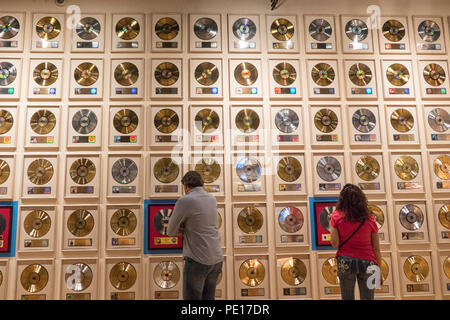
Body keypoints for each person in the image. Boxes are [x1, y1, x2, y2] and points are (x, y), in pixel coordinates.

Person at [167, 171, 223, 300]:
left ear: (186, 186)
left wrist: (183, 228)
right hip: (216, 259)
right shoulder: (211, 198)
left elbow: (170, 231)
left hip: (198, 260)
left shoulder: (185, 200)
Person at [329, 183, 382, 300]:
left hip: (345, 261)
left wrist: (331, 226)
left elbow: (335, 244)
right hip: (368, 262)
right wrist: (379, 271)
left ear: (342, 200)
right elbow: (376, 248)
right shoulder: (370, 218)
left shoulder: (336, 216)